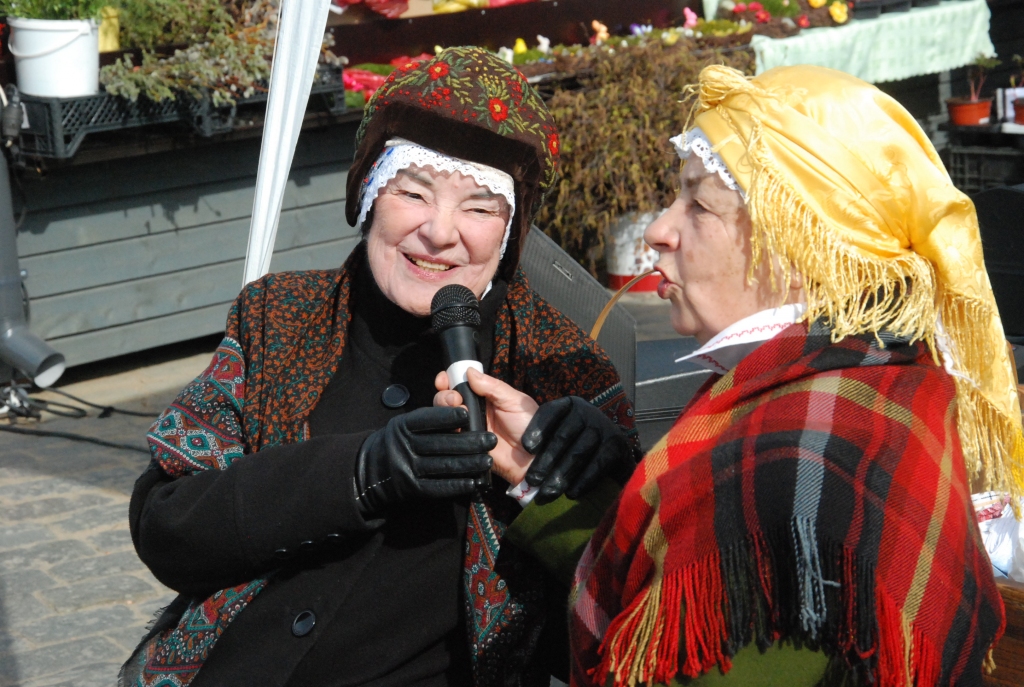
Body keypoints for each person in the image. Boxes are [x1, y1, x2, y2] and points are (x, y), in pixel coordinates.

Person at [449, 65, 1021, 686]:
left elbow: (716, 617)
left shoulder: (803, 467)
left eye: (698, 204)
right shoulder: (879, 381)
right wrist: (539, 476)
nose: (659, 230)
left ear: (800, 247)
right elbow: (687, 584)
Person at [120, 46, 638, 687]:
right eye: (413, 193)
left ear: (510, 230)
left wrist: (584, 481)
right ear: (368, 193)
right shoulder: (279, 316)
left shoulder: (561, 368)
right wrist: (358, 474)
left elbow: (630, 608)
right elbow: (166, 526)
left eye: (478, 207)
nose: (440, 233)